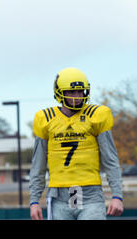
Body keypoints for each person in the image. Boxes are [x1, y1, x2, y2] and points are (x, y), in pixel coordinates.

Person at [29, 67, 124, 220]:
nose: (77, 96)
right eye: (72, 92)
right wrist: (34, 201)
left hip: (90, 195)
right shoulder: (45, 119)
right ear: (60, 92)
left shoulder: (96, 116)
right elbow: (37, 165)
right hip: (58, 196)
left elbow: (110, 160)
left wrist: (117, 196)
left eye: (80, 92)